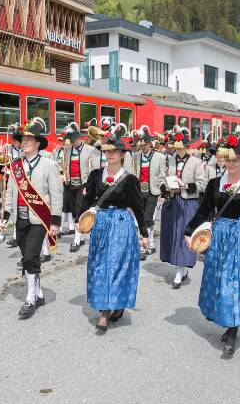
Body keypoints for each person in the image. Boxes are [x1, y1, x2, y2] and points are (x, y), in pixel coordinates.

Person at [185, 133, 240, 355]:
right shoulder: (214, 184)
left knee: (236, 284)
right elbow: (203, 211)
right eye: (228, 160)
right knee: (220, 282)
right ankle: (227, 321)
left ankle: (233, 330)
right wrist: (189, 231)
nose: (231, 164)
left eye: (236, 160)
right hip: (218, 238)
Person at [79, 128, 150, 331]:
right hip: (101, 224)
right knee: (100, 265)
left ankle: (108, 311)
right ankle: (109, 305)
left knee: (117, 266)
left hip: (121, 225)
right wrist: (81, 219)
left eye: (114, 151)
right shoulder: (95, 175)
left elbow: (138, 206)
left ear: (122, 154)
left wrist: (144, 234)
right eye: (107, 151)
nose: (110, 154)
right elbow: (88, 199)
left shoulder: (129, 179)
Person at [1, 118, 63, 320]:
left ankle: (30, 298)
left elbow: (56, 194)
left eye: (29, 138)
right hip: (21, 219)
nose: (25, 141)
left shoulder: (49, 164)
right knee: (30, 260)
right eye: (23, 138)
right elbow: (10, 192)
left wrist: (55, 222)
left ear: (38, 143)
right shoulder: (15, 165)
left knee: (29, 258)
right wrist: (6, 216)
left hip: (39, 220)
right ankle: (39, 293)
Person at [160, 127, 206, 289]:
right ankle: (181, 268)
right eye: (176, 146)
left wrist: (185, 185)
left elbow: (202, 184)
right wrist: (165, 187)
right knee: (172, 234)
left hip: (188, 203)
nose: (178, 148)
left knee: (183, 235)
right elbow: (161, 178)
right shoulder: (169, 160)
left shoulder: (196, 162)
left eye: (181, 145)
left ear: (187, 146)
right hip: (173, 201)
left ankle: (180, 271)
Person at [61, 122, 99, 253]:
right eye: (70, 140)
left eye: (74, 139)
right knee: (72, 210)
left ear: (79, 138)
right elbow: (63, 165)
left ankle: (76, 240)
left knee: (78, 210)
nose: (72, 142)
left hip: (83, 184)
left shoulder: (90, 150)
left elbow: (95, 170)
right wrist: (63, 175)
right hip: (70, 184)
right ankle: (81, 236)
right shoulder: (67, 150)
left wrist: (89, 186)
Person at [132, 125, 166, 257]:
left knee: (148, 219)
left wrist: (162, 193)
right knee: (141, 218)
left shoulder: (160, 157)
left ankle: (146, 245)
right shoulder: (136, 156)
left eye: (145, 144)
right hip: (140, 191)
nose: (143, 147)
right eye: (141, 145)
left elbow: (162, 176)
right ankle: (150, 245)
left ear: (150, 143)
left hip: (153, 191)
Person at [0, 124, 23, 248]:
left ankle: (16, 235)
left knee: (19, 209)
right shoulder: (6, 149)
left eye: (19, 142)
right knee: (10, 208)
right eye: (16, 141)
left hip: (22, 183)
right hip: (9, 183)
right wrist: (2, 169)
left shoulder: (25, 150)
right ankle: (12, 234)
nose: (17, 144)